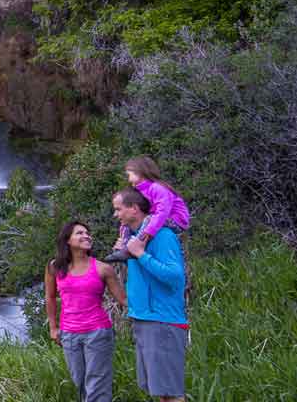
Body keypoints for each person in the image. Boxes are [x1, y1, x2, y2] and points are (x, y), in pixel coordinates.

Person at [113, 188, 188, 402]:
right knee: (162, 392)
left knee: (172, 393)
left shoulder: (163, 236)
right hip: (144, 319)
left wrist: (140, 255)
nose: (116, 214)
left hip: (162, 320)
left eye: (119, 209)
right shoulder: (136, 239)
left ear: (134, 209)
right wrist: (128, 254)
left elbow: (175, 278)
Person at [45, 220, 127, 402]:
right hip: (69, 335)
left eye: (87, 233)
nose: (86, 236)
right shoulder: (55, 267)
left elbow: (124, 300)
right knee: (80, 383)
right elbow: (50, 297)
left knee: (97, 386)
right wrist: (53, 327)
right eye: (79, 233)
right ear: (67, 240)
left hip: (97, 333)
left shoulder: (103, 268)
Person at [104, 156, 191, 264]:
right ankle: (124, 248)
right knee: (126, 225)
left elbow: (163, 211)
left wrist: (150, 230)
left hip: (176, 220)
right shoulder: (142, 189)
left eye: (129, 174)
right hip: (159, 218)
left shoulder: (157, 188)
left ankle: (137, 245)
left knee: (149, 219)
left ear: (140, 172)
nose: (128, 179)